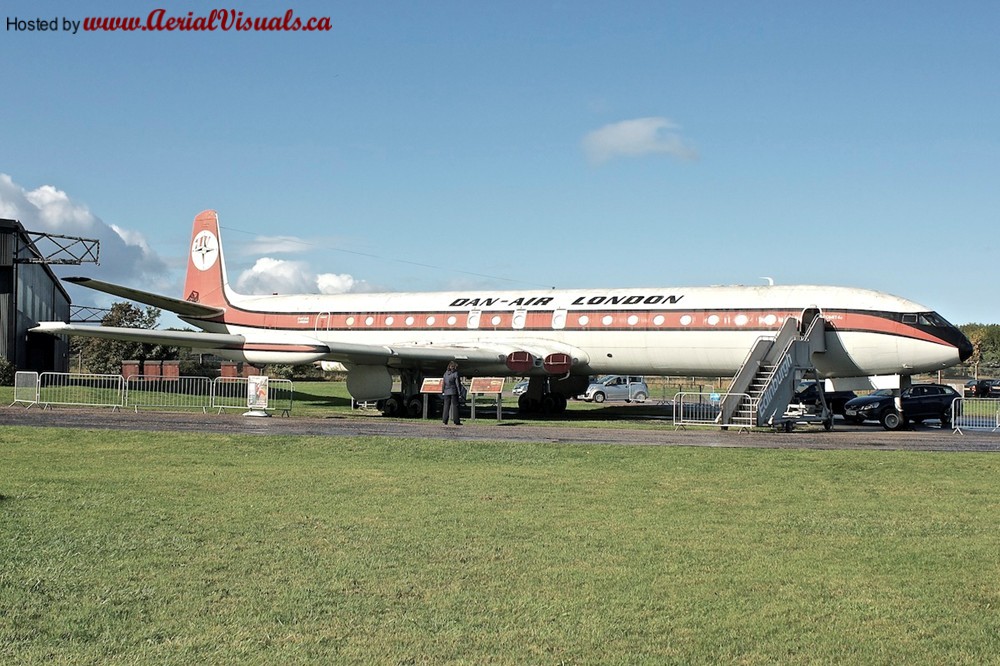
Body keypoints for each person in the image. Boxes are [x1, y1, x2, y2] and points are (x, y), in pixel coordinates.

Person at [441, 361, 463, 425]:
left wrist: (443, 391)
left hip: (446, 391)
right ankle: (456, 421)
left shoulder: (445, 374)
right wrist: (459, 393)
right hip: (453, 391)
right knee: (455, 406)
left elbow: (443, 384)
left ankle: (444, 420)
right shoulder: (455, 374)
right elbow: (457, 384)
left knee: (446, 406)